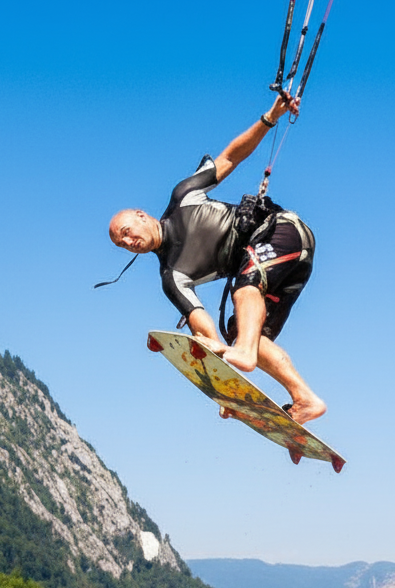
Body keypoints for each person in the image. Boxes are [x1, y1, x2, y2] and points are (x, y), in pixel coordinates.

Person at [108, 93, 326, 424]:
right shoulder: (171, 277)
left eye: (126, 232)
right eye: (121, 244)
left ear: (141, 215)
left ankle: (245, 352)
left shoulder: (183, 197)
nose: (128, 242)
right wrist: (224, 387)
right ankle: (305, 399)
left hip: (283, 231)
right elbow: (203, 330)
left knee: (245, 291)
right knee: (245, 334)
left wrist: (270, 117)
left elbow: (230, 157)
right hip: (287, 267)